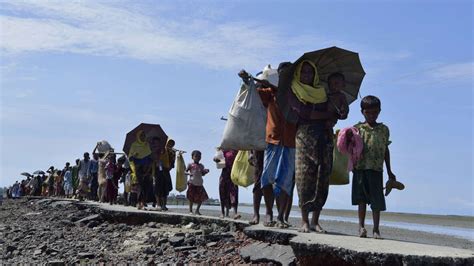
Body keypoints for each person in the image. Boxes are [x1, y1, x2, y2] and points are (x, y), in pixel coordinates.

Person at [288, 61, 348, 233]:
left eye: (310, 72)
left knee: (322, 176)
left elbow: (336, 114)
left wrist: (339, 113)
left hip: (324, 136)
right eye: (303, 72)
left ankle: (316, 221)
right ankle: (304, 221)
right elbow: (305, 113)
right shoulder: (294, 91)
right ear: (298, 75)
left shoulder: (323, 93)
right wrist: (327, 115)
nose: (307, 75)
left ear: (314, 75)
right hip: (304, 136)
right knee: (303, 177)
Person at [346, 95, 397, 239]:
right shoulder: (357, 129)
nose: (371, 115)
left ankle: (376, 229)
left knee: (377, 201)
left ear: (379, 111)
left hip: (376, 169)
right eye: (368, 113)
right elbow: (348, 146)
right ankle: (361, 227)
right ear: (362, 112)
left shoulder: (383, 129)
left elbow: (385, 150)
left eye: (375, 112)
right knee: (361, 199)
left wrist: (389, 171)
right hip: (360, 168)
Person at [128, 130, 152, 210]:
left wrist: (149, 169)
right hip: (138, 168)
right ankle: (140, 203)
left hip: (146, 168)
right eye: (141, 135)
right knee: (141, 185)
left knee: (146, 186)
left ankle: (142, 202)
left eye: (144, 135)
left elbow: (149, 157)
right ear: (138, 136)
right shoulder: (134, 145)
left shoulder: (147, 144)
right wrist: (134, 155)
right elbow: (130, 158)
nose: (143, 137)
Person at [214, 149, 239, 219]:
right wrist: (216, 159)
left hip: (234, 173)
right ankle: (222, 212)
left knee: (234, 192)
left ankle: (235, 213)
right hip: (225, 172)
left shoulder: (237, 150)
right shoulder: (224, 150)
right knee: (222, 191)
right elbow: (217, 157)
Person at [185, 150, 209, 215]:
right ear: (192, 157)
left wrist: (205, 172)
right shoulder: (190, 165)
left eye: (199, 156)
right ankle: (190, 210)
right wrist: (189, 174)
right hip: (192, 183)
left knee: (201, 197)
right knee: (191, 197)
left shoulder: (201, 166)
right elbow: (185, 172)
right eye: (196, 156)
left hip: (199, 183)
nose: (197, 157)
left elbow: (202, 174)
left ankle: (197, 210)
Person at [155, 138, 176, 211]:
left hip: (166, 170)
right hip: (158, 170)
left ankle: (164, 205)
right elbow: (156, 159)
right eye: (169, 143)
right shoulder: (160, 149)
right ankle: (158, 204)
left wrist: (168, 168)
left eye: (172, 144)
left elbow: (172, 163)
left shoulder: (172, 152)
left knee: (165, 188)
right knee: (158, 187)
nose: (170, 145)